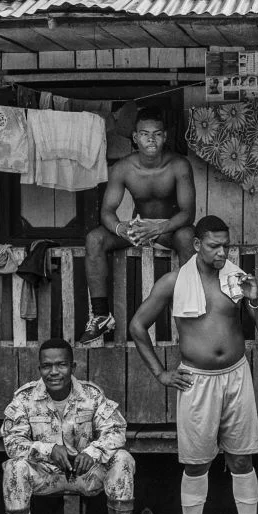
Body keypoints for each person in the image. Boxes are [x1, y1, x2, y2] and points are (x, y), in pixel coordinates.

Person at [129, 214, 258, 514]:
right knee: (196, 464)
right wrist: (161, 374)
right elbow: (137, 325)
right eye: (214, 246)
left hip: (236, 376)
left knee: (242, 459)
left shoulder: (237, 280)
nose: (221, 252)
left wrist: (255, 301)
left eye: (226, 245)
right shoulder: (174, 281)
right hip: (196, 379)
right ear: (197, 245)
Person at [0, 339, 144, 514]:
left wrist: (93, 451)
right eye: (47, 366)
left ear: (73, 366)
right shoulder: (24, 399)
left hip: (86, 475)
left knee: (122, 459)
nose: (54, 372)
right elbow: (12, 443)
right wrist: (47, 449)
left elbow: (116, 429)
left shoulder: (90, 395)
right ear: (39, 369)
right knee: (14, 468)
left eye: (61, 365)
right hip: (46, 475)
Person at [79, 107, 197, 345]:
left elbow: (188, 213)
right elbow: (107, 212)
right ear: (135, 137)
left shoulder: (179, 165)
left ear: (165, 136)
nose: (150, 139)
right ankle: (101, 315)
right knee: (95, 238)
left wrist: (160, 228)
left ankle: (190, 308)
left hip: (169, 230)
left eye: (156, 134)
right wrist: (122, 229)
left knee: (188, 236)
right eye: (144, 134)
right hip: (139, 228)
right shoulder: (123, 168)